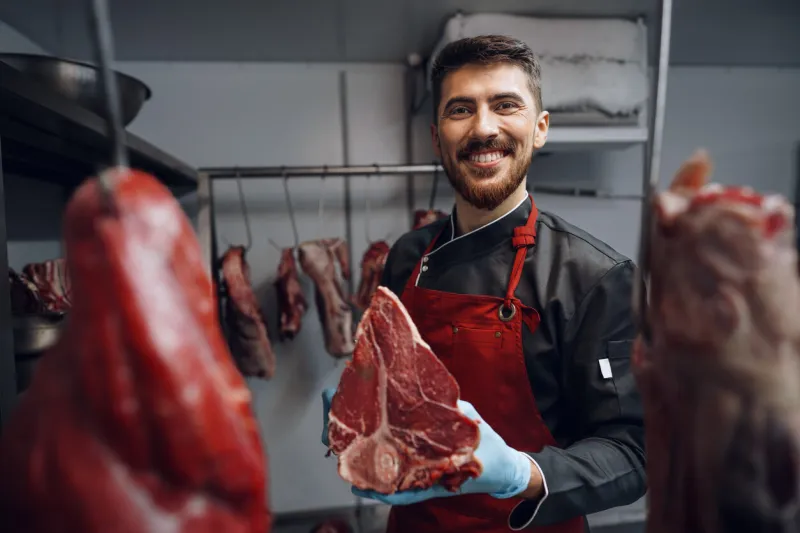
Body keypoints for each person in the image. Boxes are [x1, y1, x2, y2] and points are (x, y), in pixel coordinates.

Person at [321, 34, 646, 532]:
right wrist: (361, 417)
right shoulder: (408, 256)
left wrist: (523, 473)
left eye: (505, 105)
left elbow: (633, 451)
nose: (484, 127)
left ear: (539, 129)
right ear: (437, 137)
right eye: (461, 110)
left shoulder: (594, 277)